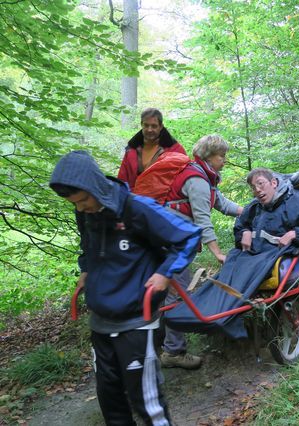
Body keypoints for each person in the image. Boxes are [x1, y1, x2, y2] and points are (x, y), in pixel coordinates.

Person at [49, 150, 201, 426]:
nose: (80, 208)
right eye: (75, 204)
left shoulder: (136, 208)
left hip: (135, 322)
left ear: (95, 188)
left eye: (83, 200)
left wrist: (165, 273)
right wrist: (86, 268)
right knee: (111, 402)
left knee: (146, 402)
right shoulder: (86, 213)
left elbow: (189, 236)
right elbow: (88, 246)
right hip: (100, 324)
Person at [164, 168, 299, 339]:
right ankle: (196, 312)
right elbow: (240, 226)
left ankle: (224, 318)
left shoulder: (294, 204)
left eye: (261, 184)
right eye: (253, 187)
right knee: (231, 264)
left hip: (274, 255)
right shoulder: (254, 207)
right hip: (251, 253)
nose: (257, 190)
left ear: (273, 183)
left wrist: (295, 234)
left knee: (245, 271)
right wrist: (245, 232)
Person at [158, 135, 243, 370]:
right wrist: (217, 252)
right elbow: (203, 220)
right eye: (221, 156)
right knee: (177, 294)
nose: (224, 160)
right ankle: (173, 351)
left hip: (163, 240)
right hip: (172, 243)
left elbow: (223, 204)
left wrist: (250, 210)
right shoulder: (197, 180)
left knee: (163, 292)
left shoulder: (203, 177)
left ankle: (157, 343)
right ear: (208, 156)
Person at [118, 108, 187, 189]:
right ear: (141, 125)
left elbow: (183, 179)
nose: (149, 129)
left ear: (161, 126)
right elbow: (122, 179)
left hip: (162, 200)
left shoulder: (175, 150)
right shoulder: (131, 149)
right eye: (146, 125)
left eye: (154, 126)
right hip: (134, 199)